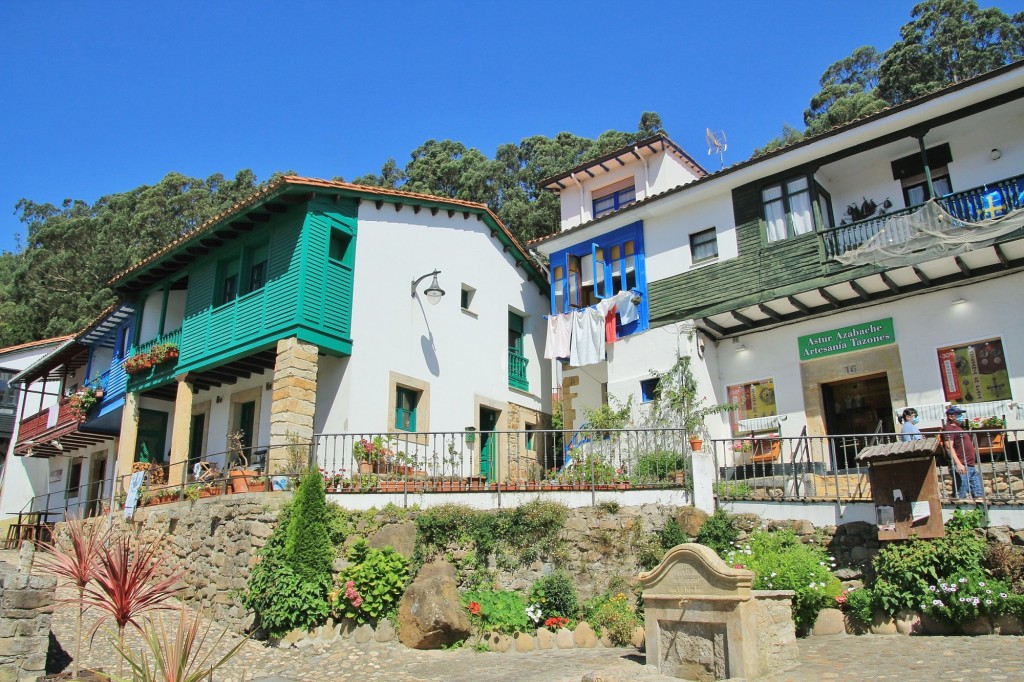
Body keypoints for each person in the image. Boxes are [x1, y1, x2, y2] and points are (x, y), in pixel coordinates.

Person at [940, 405, 983, 500]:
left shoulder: (959, 428)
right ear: (951, 417)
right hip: (962, 465)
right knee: (960, 495)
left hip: (970, 465)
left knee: (978, 494)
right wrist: (958, 464)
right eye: (958, 414)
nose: (961, 416)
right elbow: (948, 446)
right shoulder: (949, 428)